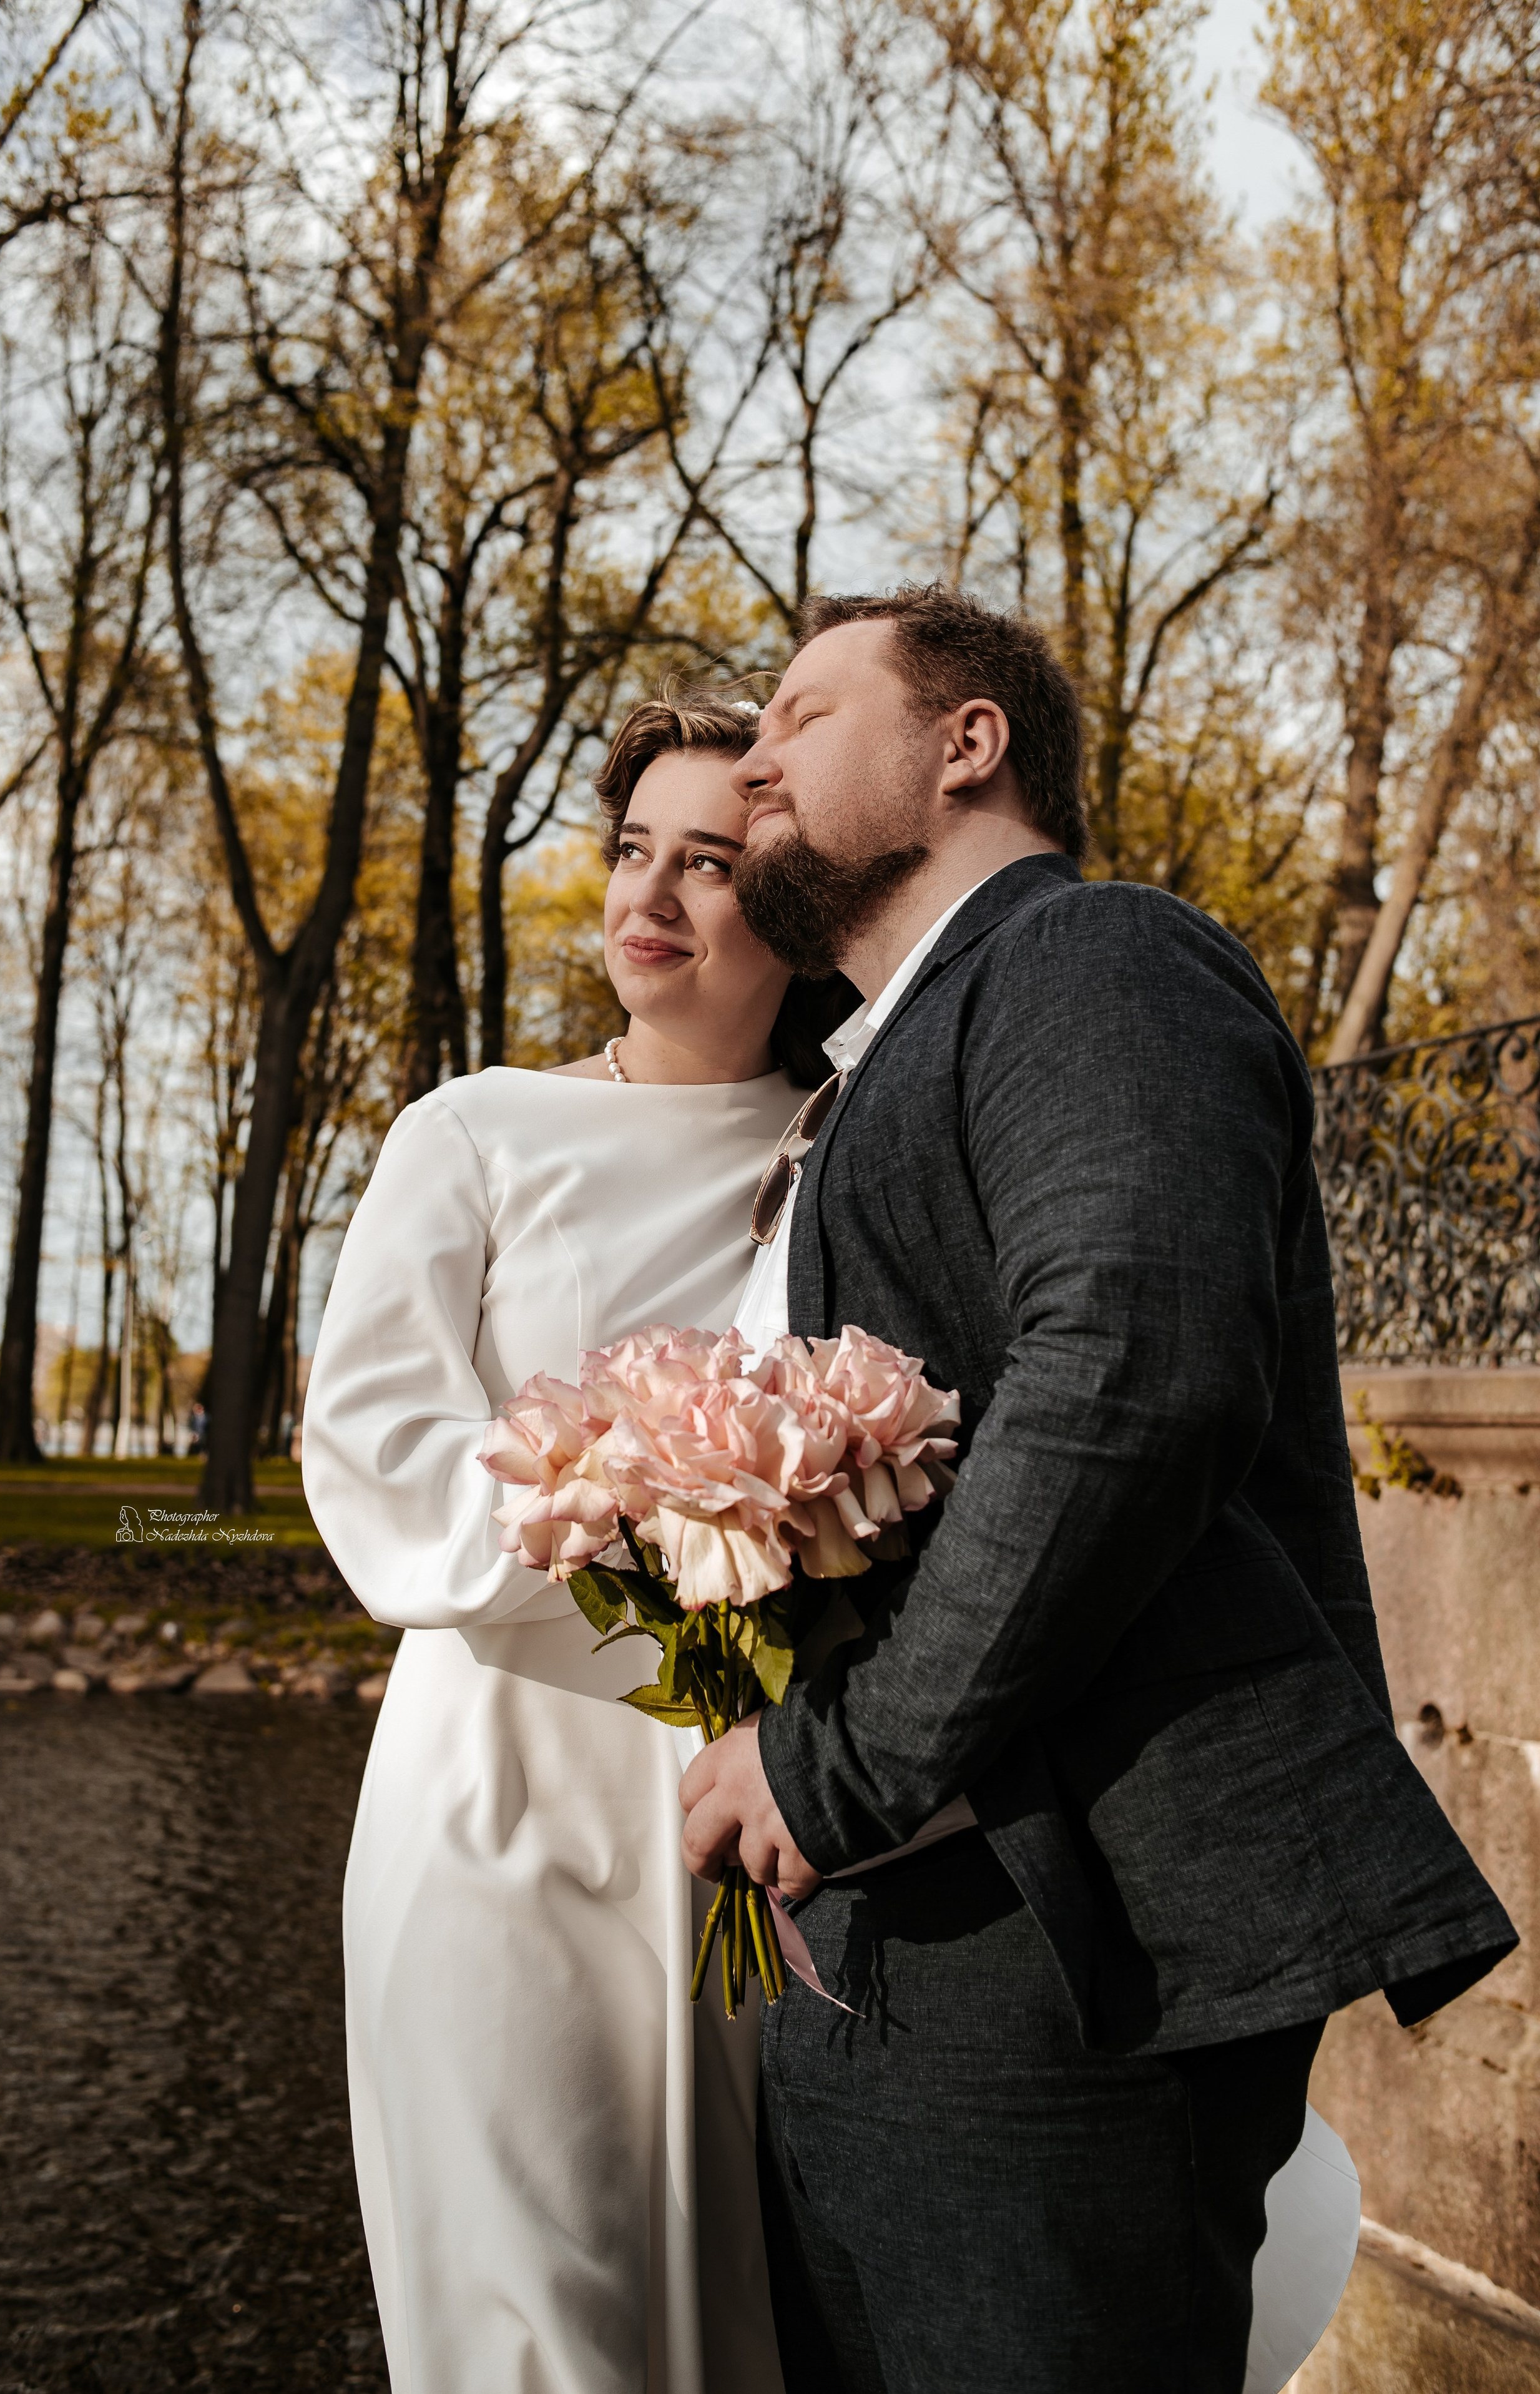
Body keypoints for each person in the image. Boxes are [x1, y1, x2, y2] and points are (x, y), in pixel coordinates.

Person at [680, 585, 1517, 2394]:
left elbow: (1134, 1369)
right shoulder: (879, 1067)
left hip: (1061, 1958)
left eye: (805, 715)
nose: (754, 762)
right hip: (883, 1954)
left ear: (967, 744)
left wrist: (837, 1766)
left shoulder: (1093, 957)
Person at [302, 692, 850, 2394]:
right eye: (632, 850)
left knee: (741, 2309)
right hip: (501, 1793)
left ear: (794, 907)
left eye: (711, 862)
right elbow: (376, 1454)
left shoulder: (850, 1147)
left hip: (752, 1807)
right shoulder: (476, 1130)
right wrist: (648, 1494)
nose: (651, 895)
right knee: (535, 2319)